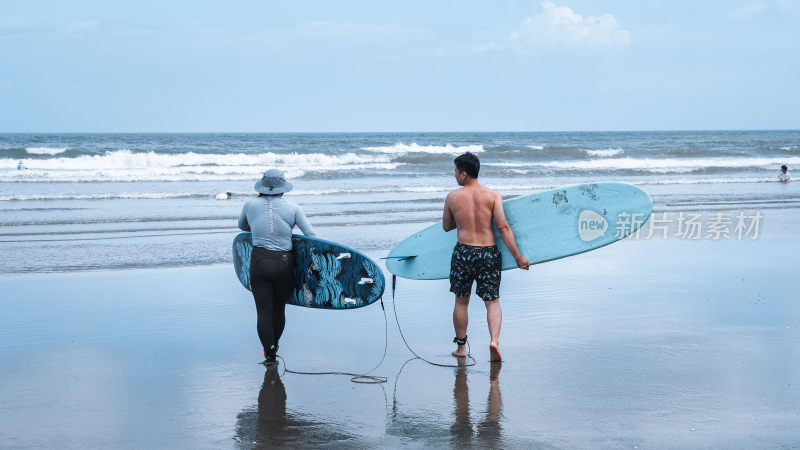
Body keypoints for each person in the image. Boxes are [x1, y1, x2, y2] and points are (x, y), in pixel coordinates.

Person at [443, 152, 529, 362]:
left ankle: (461, 348)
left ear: (464, 174)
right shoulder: (492, 196)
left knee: (461, 302)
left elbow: (447, 226)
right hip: (488, 253)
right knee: (492, 302)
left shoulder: (453, 197)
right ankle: (494, 342)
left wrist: (462, 220)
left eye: (455, 171)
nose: (454, 175)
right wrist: (518, 257)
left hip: (464, 253)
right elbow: (503, 227)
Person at [238, 169, 315, 365]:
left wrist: (257, 226)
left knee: (263, 311)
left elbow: (242, 226)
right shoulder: (293, 207)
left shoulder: (250, 204)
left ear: (262, 186)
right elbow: (311, 236)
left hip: (260, 262)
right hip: (285, 263)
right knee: (279, 309)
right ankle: (276, 345)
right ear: (283, 188)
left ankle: (269, 354)